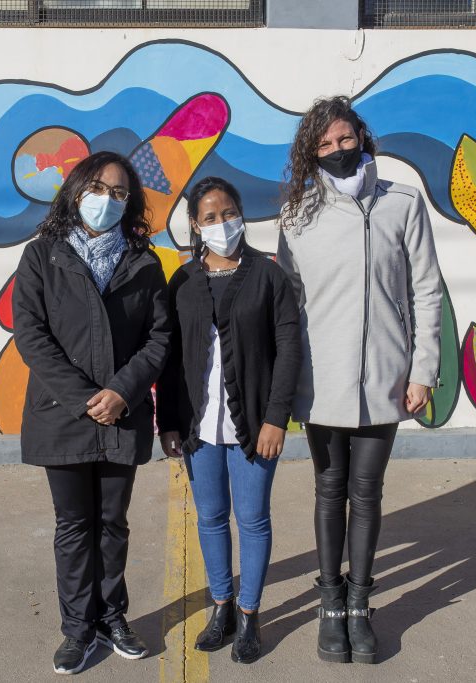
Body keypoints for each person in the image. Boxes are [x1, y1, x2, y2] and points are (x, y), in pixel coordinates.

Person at [276, 96, 442, 665]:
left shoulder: (402, 202)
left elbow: (427, 290)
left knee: (366, 493)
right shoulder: (297, 212)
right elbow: (289, 304)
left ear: (362, 138)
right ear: (310, 152)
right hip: (320, 384)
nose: (337, 151)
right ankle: (329, 603)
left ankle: (360, 606)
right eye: (323, 145)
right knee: (329, 490)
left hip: (386, 380)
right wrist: (285, 380)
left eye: (345, 139)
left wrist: (423, 370)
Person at [12, 151, 170, 675]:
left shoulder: (144, 263)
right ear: (77, 190)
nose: (108, 200)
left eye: (120, 193)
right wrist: (85, 397)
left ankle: (112, 618)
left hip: (121, 414)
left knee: (112, 523)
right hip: (63, 414)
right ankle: (77, 630)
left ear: (131, 204)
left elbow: (159, 338)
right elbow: (32, 335)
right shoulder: (43, 256)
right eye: (99, 188)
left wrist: (123, 391)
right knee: (74, 526)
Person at [157, 177, 301, 664]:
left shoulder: (268, 275)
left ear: (242, 214)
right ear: (196, 225)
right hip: (200, 429)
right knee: (212, 519)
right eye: (211, 217)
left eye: (229, 213)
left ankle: (250, 613)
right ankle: (220, 607)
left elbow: (288, 351)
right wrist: (169, 422)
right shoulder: (183, 282)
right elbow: (171, 358)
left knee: (253, 520)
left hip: (254, 428)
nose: (223, 224)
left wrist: (276, 418)